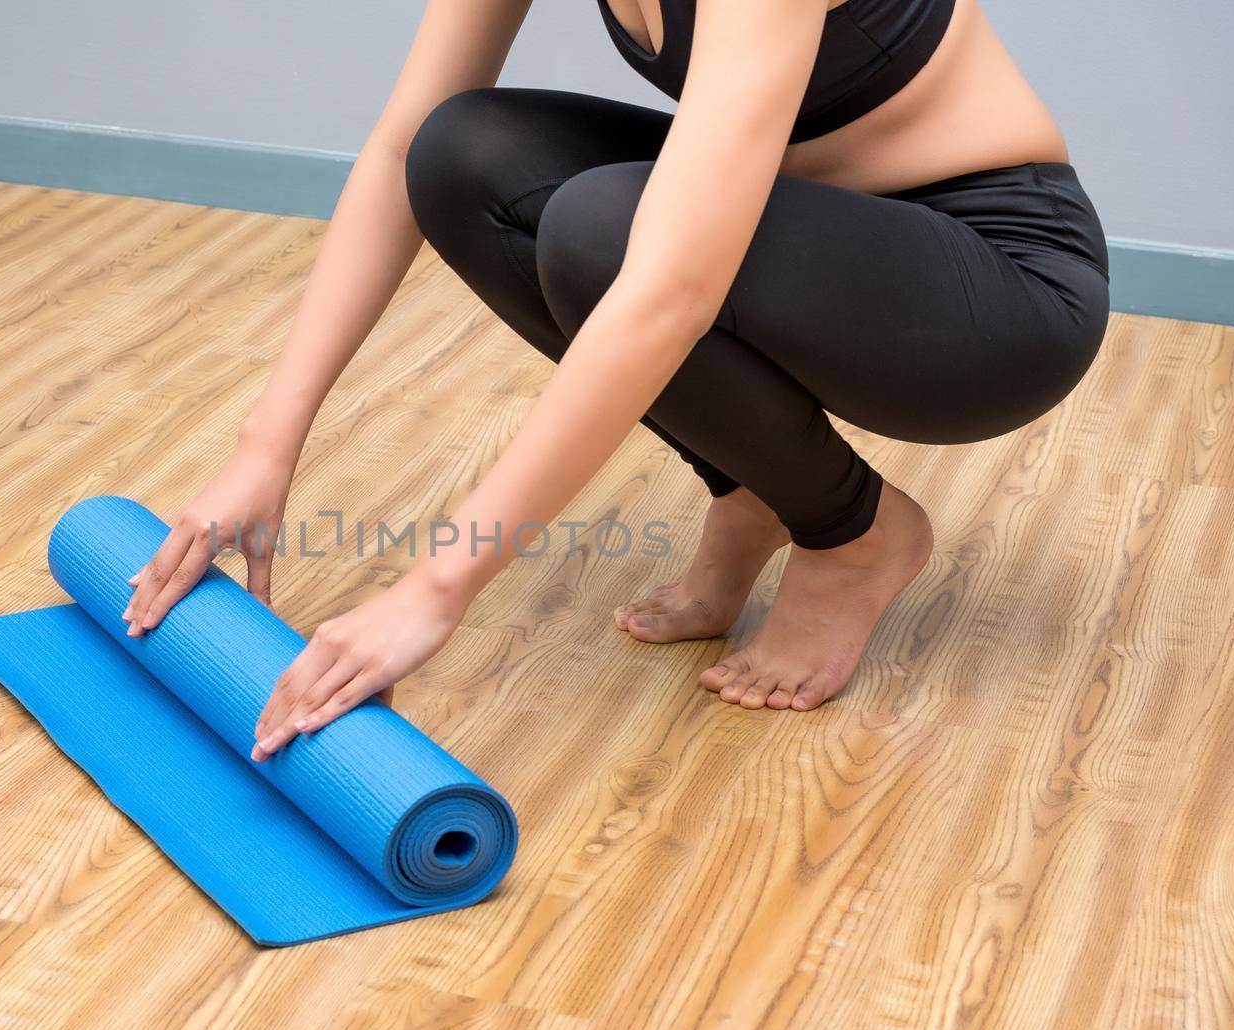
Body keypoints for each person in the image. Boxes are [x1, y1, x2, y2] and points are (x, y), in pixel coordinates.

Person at [122, 0, 1109, 759]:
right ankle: (753, 488)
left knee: (609, 233)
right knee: (462, 155)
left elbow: (672, 287)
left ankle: (853, 533)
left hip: (993, 291)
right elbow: (395, 150)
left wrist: (435, 587)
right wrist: (264, 449)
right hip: (784, 234)